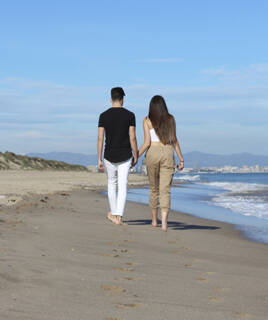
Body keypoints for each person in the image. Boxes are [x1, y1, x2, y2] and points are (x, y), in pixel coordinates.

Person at [138, 95, 184, 231]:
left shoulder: (147, 120)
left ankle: (154, 220)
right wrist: (181, 159)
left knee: (153, 189)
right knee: (165, 190)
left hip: (153, 151)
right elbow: (174, 140)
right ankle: (164, 223)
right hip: (168, 151)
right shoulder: (170, 119)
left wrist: (135, 156)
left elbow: (146, 143)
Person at [98, 87, 138, 225]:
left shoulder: (103, 116)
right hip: (125, 154)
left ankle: (114, 215)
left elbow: (100, 138)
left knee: (111, 184)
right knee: (122, 185)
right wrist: (136, 154)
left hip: (109, 154)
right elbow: (132, 137)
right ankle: (119, 216)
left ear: (111, 99)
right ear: (123, 99)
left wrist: (99, 158)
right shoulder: (130, 115)